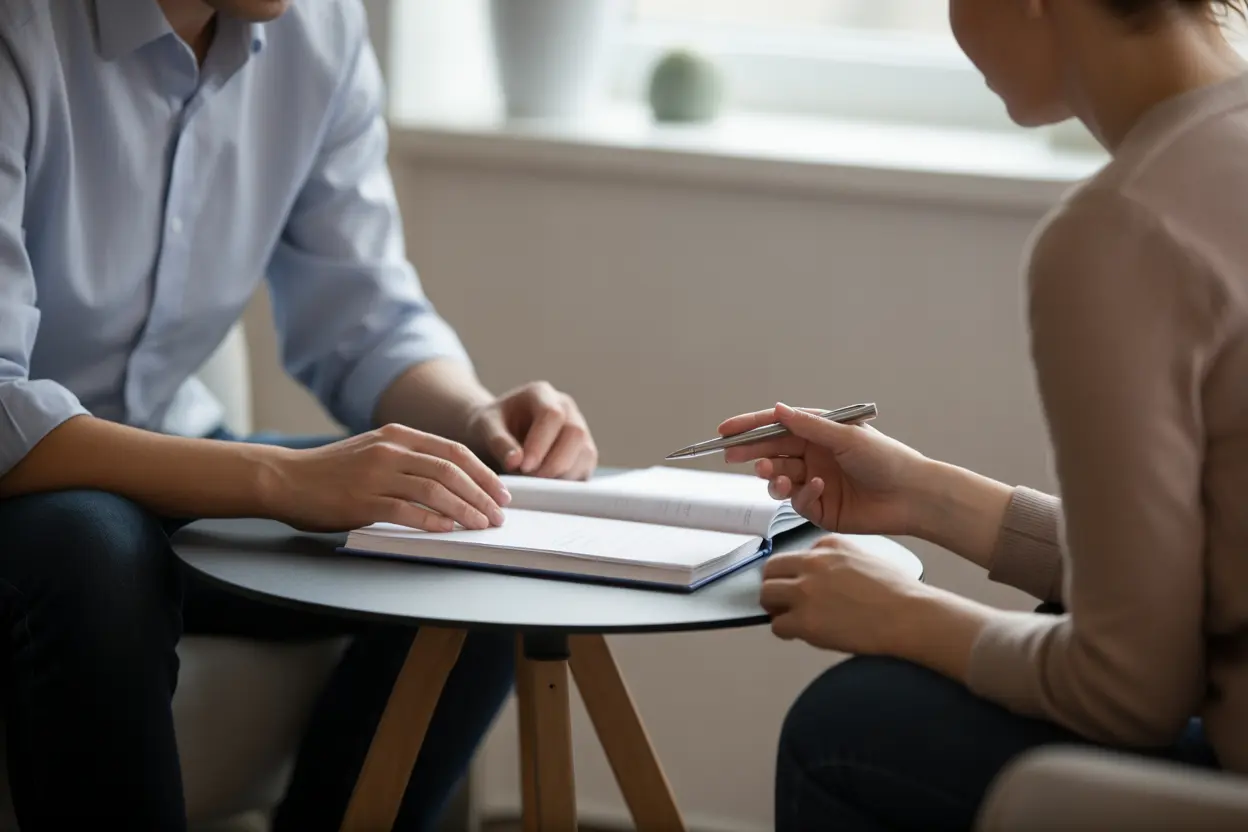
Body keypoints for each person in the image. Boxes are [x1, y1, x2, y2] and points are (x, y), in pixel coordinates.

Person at [0, 0, 599, 829]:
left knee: (483, 529)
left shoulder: (317, 29)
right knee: (94, 547)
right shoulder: (21, 33)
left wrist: (478, 418)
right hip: (37, 502)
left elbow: (364, 314)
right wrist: (279, 478)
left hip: (174, 455)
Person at [718, 0, 1248, 829]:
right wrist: (927, 495)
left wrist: (900, 616)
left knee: (849, 724)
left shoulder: (1126, 228)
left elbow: (1126, 689)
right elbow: (1211, 574)